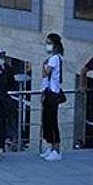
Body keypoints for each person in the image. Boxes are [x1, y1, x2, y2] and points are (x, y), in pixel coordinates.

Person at [39, 34, 64, 162]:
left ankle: (56, 149)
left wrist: (43, 65)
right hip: (49, 92)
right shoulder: (54, 58)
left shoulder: (54, 58)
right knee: (48, 121)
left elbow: (45, 73)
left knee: (52, 122)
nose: (47, 45)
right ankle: (51, 147)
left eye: (49, 42)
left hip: (52, 94)